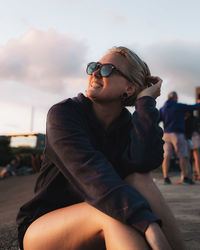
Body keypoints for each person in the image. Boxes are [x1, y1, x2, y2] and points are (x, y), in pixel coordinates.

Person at [16, 47, 185, 250]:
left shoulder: (128, 125)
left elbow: (145, 161)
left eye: (107, 69)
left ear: (129, 89)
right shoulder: (64, 114)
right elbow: (91, 174)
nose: (96, 72)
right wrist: (147, 223)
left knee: (139, 178)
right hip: (45, 228)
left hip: (101, 215)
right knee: (112, 215)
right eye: (94, 66)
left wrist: (146, 102)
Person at [159, 91, 200, 185]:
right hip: (177, 134)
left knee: (167, 156)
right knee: (183, 156)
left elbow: (157, 120)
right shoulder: (178, 106)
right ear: (175, 98)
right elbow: (194, 107)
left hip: (166, 135)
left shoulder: (163, 108)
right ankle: (185, 178)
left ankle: (166, 178)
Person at [184, 111, 200, 180]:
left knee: (189, 158)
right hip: (195, 137)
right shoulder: (196, 119)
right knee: (196, 158)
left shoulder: (186, 120)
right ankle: (197, 174)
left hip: (190, 138)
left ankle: (193, 175)